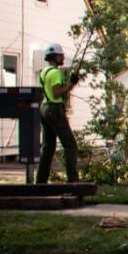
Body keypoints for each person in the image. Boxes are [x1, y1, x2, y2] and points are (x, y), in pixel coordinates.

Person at [35, 43, 80, 183]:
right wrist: (71, 84)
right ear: (55, 57)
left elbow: (46, 92)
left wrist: (67, 83)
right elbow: (56, 93)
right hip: (55, 109)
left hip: (44, 109)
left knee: (48, 147)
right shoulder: (55, 72)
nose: (63, 57)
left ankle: (40, 181)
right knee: (70, 144)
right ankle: (73, 179)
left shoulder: (43, 72)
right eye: (61, 55)